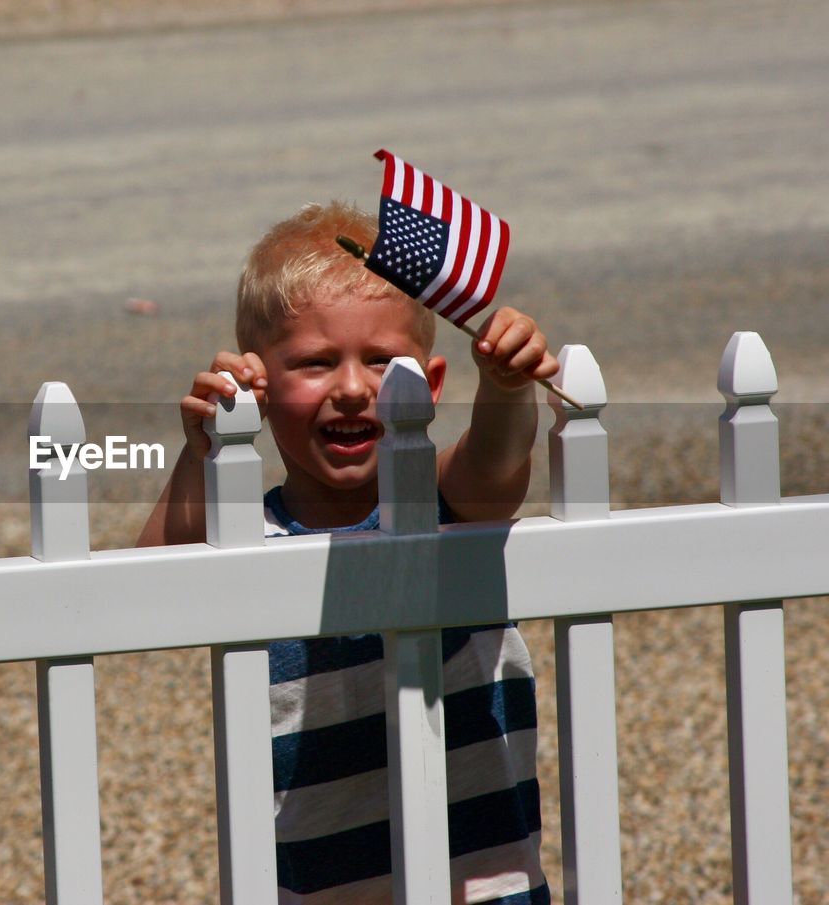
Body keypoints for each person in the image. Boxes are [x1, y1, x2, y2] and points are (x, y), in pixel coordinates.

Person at [137, 201, 556, 904]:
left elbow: (497, 463)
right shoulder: (246, 536)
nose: (355, 389)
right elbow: (148, 586)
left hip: (482, 886)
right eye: (316, 363)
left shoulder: (443, 502)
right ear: (260, 388)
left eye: (383, 362)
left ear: (434, 382)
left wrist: (509, 390)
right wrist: (200, 448)